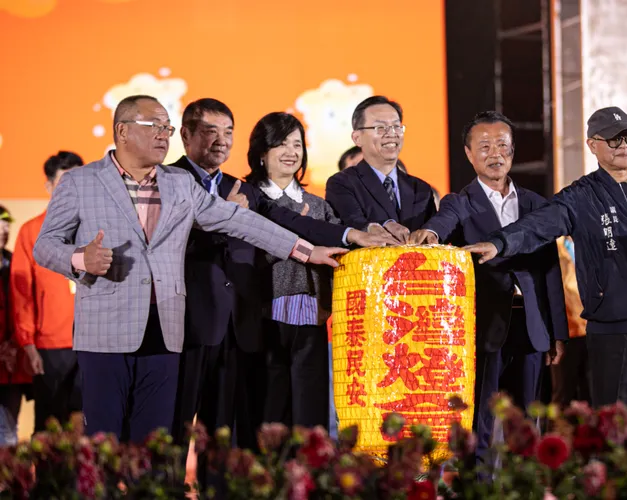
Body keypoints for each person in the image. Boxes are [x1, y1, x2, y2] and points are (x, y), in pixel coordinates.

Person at [33, 95, 348, 443]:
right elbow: (45, 245)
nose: (162, 135)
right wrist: (80, 259)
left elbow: (238, 219)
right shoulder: (81, 182)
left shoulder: (178, 183)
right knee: (104, 441)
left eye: (166, 128)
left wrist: (307, 251)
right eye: (154, 126)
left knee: (155, 443)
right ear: (122, 131)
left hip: (166, 331)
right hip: (105, 332)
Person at [170, 98, 393, 450]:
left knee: (223, 433)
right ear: (185, 135)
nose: (221, 140)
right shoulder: (167, 180)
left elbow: (285, 221)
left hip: (237, 325)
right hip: (191, 321)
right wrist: (227, 218)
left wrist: (351, 235)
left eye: (227, 131)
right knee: (175, 429)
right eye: (211, 131)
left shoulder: (240, 190)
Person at [465, 106, 627, 408]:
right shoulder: (581, 196)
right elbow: (538, 225)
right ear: (592, 145)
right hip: (613, 329)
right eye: (614, 139)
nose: (624, 145)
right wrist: (500, 243)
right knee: (614, 422)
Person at [409, 111, 567, 461]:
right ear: (468, 153)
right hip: (483, 327)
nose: (495, 154)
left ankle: (523, 481)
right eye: (484, 147)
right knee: (480, 419)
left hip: (531, 325)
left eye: (502, 145)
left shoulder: (535, 204)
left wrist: (558, 332)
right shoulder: (459, 202)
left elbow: (550, 271)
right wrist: (431, 233)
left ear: (513, 150)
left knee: (526, 421)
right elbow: (443, 222)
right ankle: (478, 483)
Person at [246, 111, 351, 431]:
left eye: (297, 144)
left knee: (311, 414)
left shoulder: (318, 205)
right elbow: (245, 256)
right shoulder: (247, 199)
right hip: (263, 318)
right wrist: (294, 242)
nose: (291, 152)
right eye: (281, 143)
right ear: (261, 152)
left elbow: (340, 253)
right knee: (270, 412)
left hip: (312, 318)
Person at [10, 152, 84, 434]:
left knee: (88, 425)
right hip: (51, 346)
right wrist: (28, 344)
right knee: (49, 427)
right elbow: (21, 294)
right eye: (65, 182)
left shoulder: (96, 228)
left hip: (94, 342)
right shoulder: (31, 232)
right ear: (49, 186)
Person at [326, 96, 437, 242]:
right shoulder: (342, 183)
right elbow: (352, 222)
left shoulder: (421, 189)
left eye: (396, 126)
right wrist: (384, 224)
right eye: (380, 127)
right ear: (357, 138)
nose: (391, 133)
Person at [0, 206, 33, 445]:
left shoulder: (15, 264)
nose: (4, 230)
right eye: (0, 224)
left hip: (11, 365)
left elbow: (25, 308)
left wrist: (14, 344)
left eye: (6, 224)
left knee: (9, 431)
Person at [550, 236, 590, 407]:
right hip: (566, 330)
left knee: (591, 390)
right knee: (564, 391)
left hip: (592, 329)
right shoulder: (555, 247)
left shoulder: (588, 243)